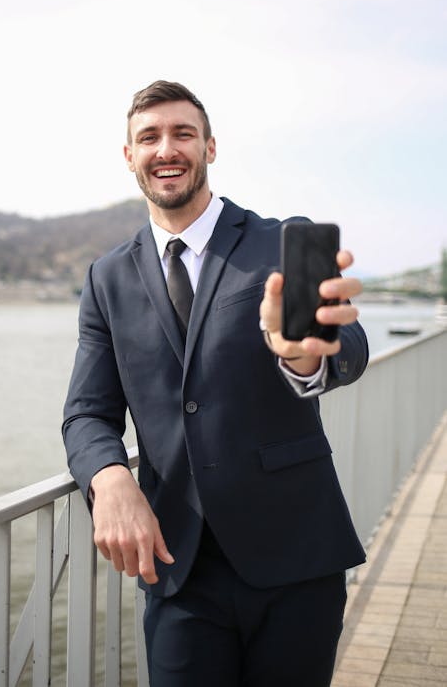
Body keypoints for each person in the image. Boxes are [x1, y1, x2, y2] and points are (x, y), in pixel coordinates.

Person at [62, 80, 369, 687]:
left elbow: (346, 348)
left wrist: (305, 359)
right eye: (148, 137)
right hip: (179, 570)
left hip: (295, 556)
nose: (166, 148)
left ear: (210, 147)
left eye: (183, 133)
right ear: (130, 155)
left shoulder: (282, 241)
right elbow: (86, 414)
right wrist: (109, 477)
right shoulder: (106, 278)